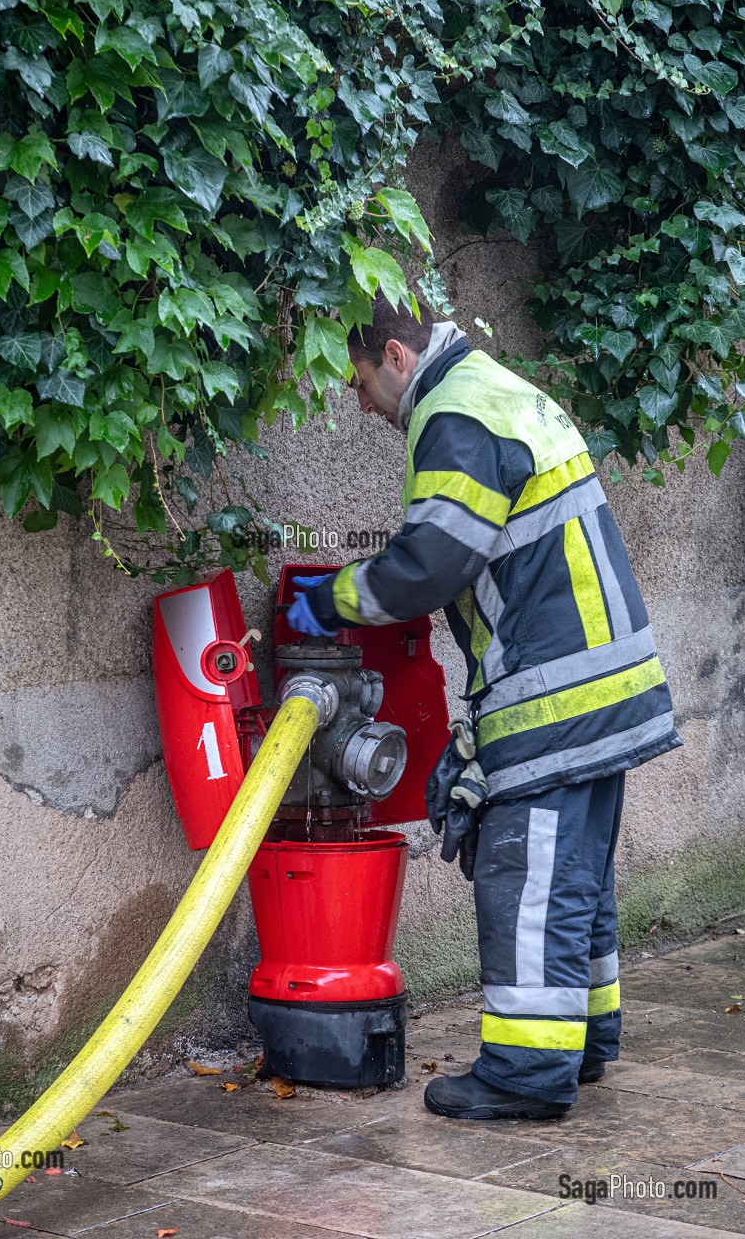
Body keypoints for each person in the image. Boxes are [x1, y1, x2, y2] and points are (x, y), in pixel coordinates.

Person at [287, 293, 682, 1121]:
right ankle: (584, 1045)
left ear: (397, 358)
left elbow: (432, 561)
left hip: (554, 692)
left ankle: (523, 1075)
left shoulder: (453, 414)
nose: (358, 405)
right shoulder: (495, 389)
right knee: (572, 880)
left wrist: (334, 600)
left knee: (527, 879)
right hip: (596, 683)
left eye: (358, 382)